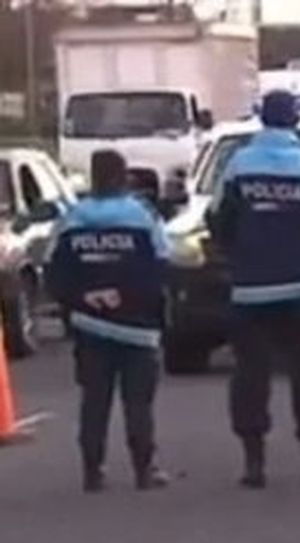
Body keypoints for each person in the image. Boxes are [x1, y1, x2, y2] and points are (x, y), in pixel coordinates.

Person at [206, 89, 300, 489]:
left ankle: (254, 464)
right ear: (295, 121)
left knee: (250, 374)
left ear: (261, 120)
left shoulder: (238, 165)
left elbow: (218, 219)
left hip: (250, 289)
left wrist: (241, 256)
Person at [45, 150, 172, 492]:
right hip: (137, 327)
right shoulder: (143, 217)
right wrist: (127, 296)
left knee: (94, 401)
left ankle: (92, 471)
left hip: (89, 325)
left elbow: (54, 271)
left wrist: (82, 298)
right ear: (124, 176)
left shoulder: (72, 218)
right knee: (138, 403)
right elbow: (160, 265)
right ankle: (144, 471)